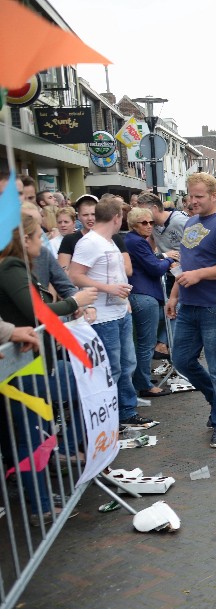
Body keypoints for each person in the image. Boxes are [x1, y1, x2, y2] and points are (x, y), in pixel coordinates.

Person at [0, 207, 96, 525]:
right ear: (24, 239)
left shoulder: (16, 265)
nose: (42, 244)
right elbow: (37, 311)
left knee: (29, 437)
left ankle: (42, 500)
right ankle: (44, 497)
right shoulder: (11, 266)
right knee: (83, 385)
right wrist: (76, 303)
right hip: (20, 369)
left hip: (25, 364)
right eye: (39, 236)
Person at [165, 173, 216, 448]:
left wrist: (200, 275)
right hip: (189, 306)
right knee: (181, 360)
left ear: (214, 196)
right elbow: (186, 264)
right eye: (190, 195)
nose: (193, 200)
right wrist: (174, 294)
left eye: (199, 196)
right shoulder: (190, 222)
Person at [68, 197, 152, 429]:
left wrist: (122, 299)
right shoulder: (90, 242)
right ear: (117, 218)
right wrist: (108, 289)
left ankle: (125, 411)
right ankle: (104, 420)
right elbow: (74, 275)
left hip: (119, 311)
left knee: (127, 364)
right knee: (111, 369)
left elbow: (116, 272)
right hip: (102, 316)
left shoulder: (110, 240)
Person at [124, 206, 178, 397]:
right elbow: (154, 268)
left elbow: (149, 260)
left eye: (151, 222)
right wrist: (169, 261)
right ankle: (144, 384)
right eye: (144, 223)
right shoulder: (136, 241)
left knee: (143, 342)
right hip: (144, 295)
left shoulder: (134, 240)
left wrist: (163, 257)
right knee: (146, 343)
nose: (149, 226)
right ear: (133, 224)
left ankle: (142, 378)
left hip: (142, 295)